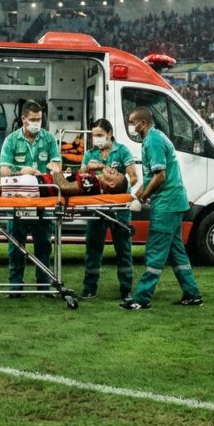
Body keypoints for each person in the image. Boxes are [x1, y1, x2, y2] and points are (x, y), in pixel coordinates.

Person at [120, 107, 202, 310]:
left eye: (132, 123)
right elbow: (151, 178)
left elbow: (159, 176)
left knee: (155, 251)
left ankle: (142, 298)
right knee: (177, 252)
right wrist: (135, 196)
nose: (130, 126)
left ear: (143, 123)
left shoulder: (153, 141)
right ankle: (192, 294)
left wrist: (143, 198)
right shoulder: (155, 138)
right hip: (174, 202)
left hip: (166, 204)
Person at [0, 100, 62, 295]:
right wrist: (21, 171)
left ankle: (43, 286)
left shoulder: (49, 139)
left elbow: (57, 165)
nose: (36, 123)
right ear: (23, 119)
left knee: (43, 245)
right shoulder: (11, 140)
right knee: (16, 246)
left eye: (39, 119)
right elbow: (4, 171)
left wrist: (53, 168)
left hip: (42, 202)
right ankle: (15, 287)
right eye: (33, 119)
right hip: (18, 201)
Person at [79, 119, 138, 301]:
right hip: (97, 207)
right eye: (94, 135)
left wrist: (116, 181)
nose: (96, 138)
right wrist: (86, 169)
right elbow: (80, 177)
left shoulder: (122, 151)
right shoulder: (90, 154)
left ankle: (126, 290)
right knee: (93, 249)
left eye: (100, 135)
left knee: (123, 249)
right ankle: (89, 288)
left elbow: (133, 177)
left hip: (119, 207)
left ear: (110, 134)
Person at [0, 165, 129, 197]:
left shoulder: (94, 184)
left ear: (111, 184)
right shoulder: (93, 180)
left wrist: (55, 170)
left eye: (116, 175)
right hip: (38, 183)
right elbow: (71, 180)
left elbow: (64, 188)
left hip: (38, 188)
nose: (114, 170)